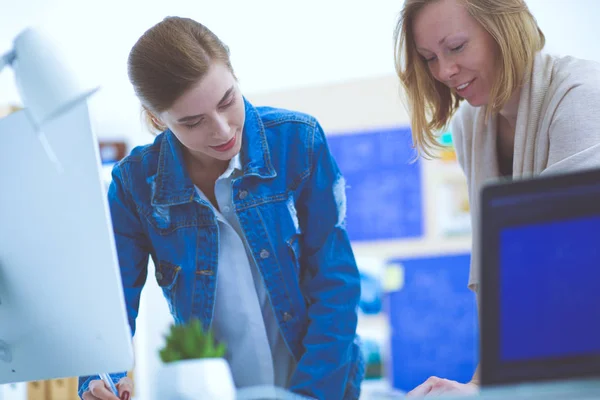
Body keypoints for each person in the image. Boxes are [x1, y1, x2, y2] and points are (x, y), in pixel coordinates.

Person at [79, 16, 364, 400]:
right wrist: (100, 378)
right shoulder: (135, 185)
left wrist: (311, 396)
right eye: (193, 122)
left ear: (233, 72)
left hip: (321, 385)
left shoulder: (298, 141)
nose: (222, 130)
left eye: (227, 100)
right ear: (157, 119)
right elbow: (112, 303)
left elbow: (336, 286)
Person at [394, 0, 600, 397]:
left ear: (504, 28)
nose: (444, 71)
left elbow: (560, 277)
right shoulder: (472, 125)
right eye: (429, 58)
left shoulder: (581, 98)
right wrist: (476, 386)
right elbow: (505, 282)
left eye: (455, 47)